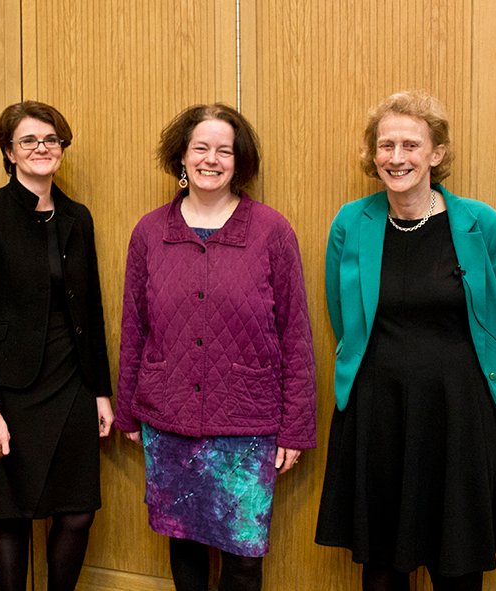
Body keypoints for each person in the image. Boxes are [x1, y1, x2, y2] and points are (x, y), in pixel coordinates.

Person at [315, 90, 496, 590]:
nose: (397, 157)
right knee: (383, 566)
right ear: (373, 155)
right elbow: (343, 313)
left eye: (411, 145)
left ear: (436, 154)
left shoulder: (483, 224)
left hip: (458, 414)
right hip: (376, 412)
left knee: (457, 564)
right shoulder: (351, 223)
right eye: (386, 145)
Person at [115, 103, 316, 591]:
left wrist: (296, 428)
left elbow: (296, 334)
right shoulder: (149, 232)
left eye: (223, 150)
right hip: (170, 417)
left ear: (238, 160)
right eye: (200, 148)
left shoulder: (272, 230)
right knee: (183, 545)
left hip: (247, 425)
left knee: (244, 557)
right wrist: (127, 413)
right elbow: (133, 329)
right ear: (181, 157)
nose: (211, 159)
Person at [0, 100, 114, 591]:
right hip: (10, 392)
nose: (42, 148)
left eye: (51, 139)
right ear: (9, 151)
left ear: (62, 148)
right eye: (29, 140)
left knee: (78, 513)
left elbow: (91, 309)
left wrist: (101, 391)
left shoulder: (76, 216)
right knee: (13, 516)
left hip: (72, 384)